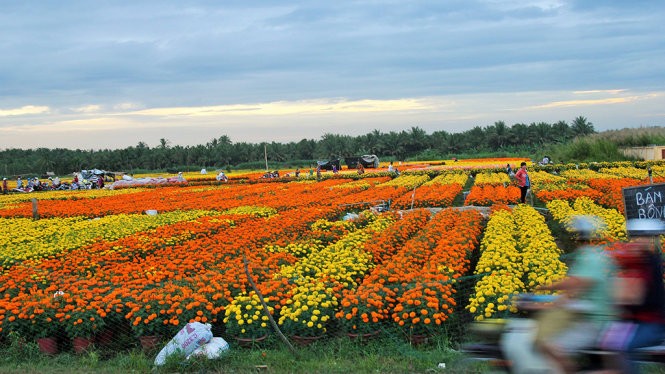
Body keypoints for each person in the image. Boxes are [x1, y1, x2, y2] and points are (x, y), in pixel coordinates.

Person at [534, 215, 617, 374]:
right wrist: (556, 300)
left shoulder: (591, 258)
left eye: (577, 235)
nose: (574, 239)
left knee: (551, 345)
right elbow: (575, 290)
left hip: (596, 321)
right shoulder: (590, 256)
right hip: (585, 316)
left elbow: (576, 283)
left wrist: (546, 287)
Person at [598, 219, 665, 373]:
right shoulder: (639, 259)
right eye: (637, 237)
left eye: (645, 237)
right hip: (634, 322)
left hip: (653, 324)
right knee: (607, 344)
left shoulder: (649, 261)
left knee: (623, 348)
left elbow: (633, 296)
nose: (639, 241)